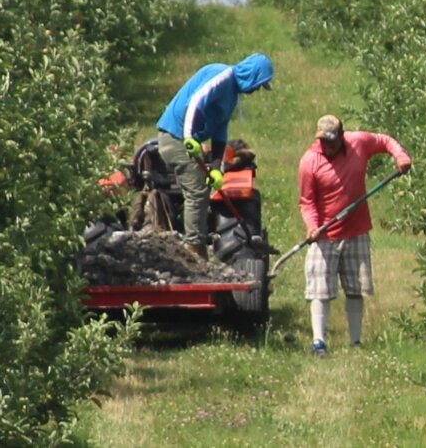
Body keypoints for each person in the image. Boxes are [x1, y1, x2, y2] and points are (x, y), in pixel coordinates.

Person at [297, 114, 412, 356]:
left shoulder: (358, 142)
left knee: (355, 288)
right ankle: (319, 342)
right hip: (324, 235)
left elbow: (384, 141)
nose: (327, 147)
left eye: (331, 142)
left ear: (341, 136)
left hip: (356, 230)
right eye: (323, 142)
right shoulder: (310, 161)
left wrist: (400, 156)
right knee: (320, 289)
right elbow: (307, 202)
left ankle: (355, 342)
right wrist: (312, 226)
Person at [156, 53, 274, 260]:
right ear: (251, 74)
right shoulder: (222, 75)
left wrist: (217, 169)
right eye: (258, 84)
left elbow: (220, 131)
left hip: (185, 138)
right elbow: (195, 103)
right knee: (197, 193)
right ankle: (194, 249)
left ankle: (195, 242)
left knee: (202, 189)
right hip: (174, 136)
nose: (256, 90)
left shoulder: (231, 96)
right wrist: (189, 136)